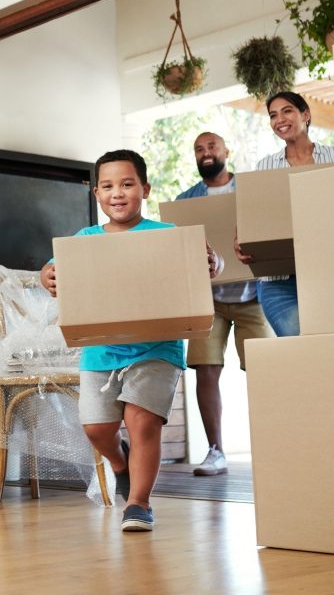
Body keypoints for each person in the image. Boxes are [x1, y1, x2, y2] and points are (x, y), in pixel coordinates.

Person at [41, 149, 222, 533]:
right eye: (107, 186)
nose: (117, 193)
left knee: (142, 423)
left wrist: (213, 264)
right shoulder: (85, 239)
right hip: (101, 349)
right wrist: (47, 275)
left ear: (145, 188)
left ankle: (139, 504)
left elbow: (206, 263)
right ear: (96, 195)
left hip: (157, 347)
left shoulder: (165, 235)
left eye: (127, 184)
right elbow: (56, 269)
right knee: (96, 429)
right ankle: (120, 463)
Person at [176, 132, 273, 477]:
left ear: (226, 151)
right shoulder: (186, 200)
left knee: (264, 370)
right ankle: (215, 450)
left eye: (211, 147)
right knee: (206, 369)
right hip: (210, 299)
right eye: (198, 149)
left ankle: (272, 446)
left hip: (253, 295)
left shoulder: (248, 190)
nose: (205, 153)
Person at [234, 91, 334, 337]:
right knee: (300, 344)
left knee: (333, 342)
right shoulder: (265, 166)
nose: (279, 119)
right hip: (278, 280)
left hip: (329, 272)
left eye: (287, 110)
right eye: (273, 115)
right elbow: (256, 214)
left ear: (305, 114)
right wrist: (241, 237)